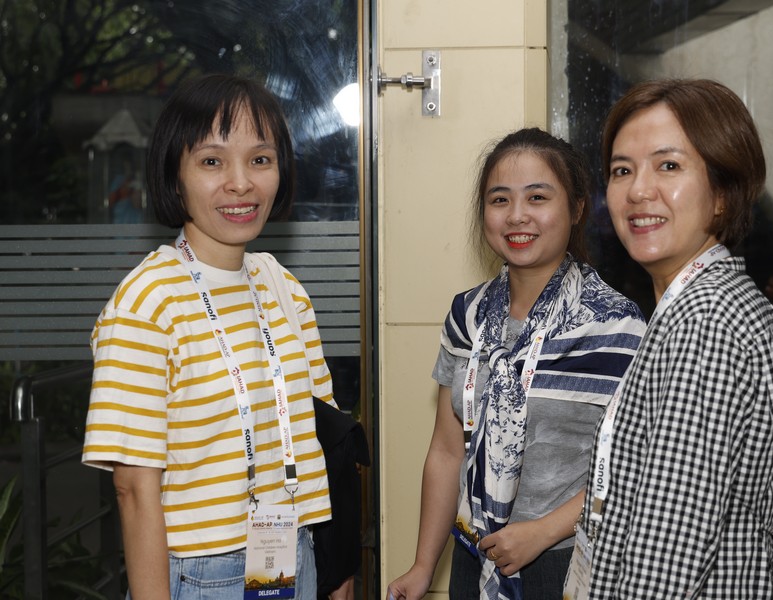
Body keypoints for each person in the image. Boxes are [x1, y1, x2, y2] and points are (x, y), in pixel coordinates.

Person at [82, 74, 338, 599]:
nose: (241, 183)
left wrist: (335, 569)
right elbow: (133, 488)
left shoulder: (282, 286)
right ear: (174, 177)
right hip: (200, 574)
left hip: (292, 556)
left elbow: (320, 436)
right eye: (212, 162)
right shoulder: (148, 302)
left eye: (260, 159)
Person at [386, 128, 646, 600]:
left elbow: (635, 466)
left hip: (569, 560)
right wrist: (424, 566)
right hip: (474, 556)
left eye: (537, 197)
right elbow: (447, 450)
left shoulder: (615, 324)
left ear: (576, 208)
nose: (517, 215)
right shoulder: (468, 315)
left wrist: (543, 531)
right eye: (500, 199)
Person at [565, 79, 773, 598]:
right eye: (622, 170)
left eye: (668, 165)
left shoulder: (707, 319)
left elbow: (667, 556)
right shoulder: (704, 303)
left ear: (723, 194)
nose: (638, 190)